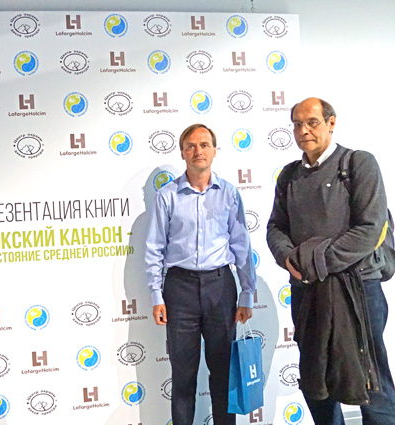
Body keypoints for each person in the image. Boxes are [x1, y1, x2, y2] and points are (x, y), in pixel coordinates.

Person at [267, 97, 395, 425]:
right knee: (315, 377)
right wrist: (288, 258)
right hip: (307, 291)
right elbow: (276, 228)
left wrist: (316, 261)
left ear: (331, 123)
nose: (303, 130)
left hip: (358, 290)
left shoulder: (358, 163)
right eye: (297, 124)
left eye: (312, 122)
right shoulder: (289, 175)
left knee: (369, 378)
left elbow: (370, 228)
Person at [145, 124, 256, 425]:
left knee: (223, 375)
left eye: (204, 145)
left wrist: (247, 292)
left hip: (220, 287)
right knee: (183, 377)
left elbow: (242, 245)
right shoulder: (167, 196)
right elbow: (154, 247)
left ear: (214, 150)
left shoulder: (229, 193)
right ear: (182, 152)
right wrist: (156, 294)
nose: (198, 151)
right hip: (179, 290)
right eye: (191, 146)